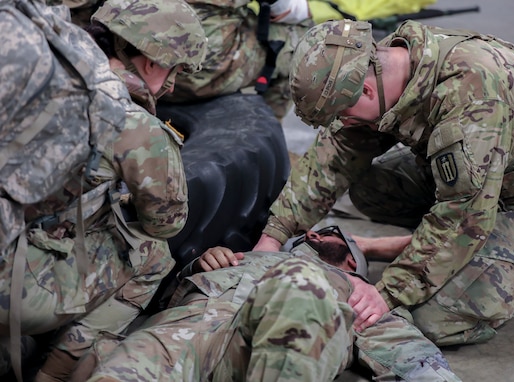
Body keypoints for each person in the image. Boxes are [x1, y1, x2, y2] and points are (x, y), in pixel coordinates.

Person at [254, 19, 514, 346]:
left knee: (431, 316)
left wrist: (388, 292)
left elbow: (462, 215)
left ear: (365, 90)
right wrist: (274, 235)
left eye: (342, 113)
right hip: (488, 176)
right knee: (372, 189)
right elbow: (336, 152)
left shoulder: (475, 95)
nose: (342, 122)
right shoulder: (383, 63)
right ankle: (433, 249)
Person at [0, 0, 207, 381]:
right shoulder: (134, 123)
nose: (172, 84)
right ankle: (56, 373)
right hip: (10, 289)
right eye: (174, 70)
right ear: (152, 63)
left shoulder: (33, 67)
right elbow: (166, 223)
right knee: (151, 254)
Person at [69, 225, 461, 381]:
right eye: (321, 230)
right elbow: (161, 298)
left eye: (349, 244)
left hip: (270, 358)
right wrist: (201, 261)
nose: (329, 234)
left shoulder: (357, 293)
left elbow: (414, 361)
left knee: (302, 284)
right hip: (190, 333)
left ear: (355, 267)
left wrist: (369, 252)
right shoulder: (243, 256)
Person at [160, 0, 313, 119]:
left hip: (146, 55)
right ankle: (266, 132)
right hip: (200, 70)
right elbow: (286, 9)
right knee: (309, 43)